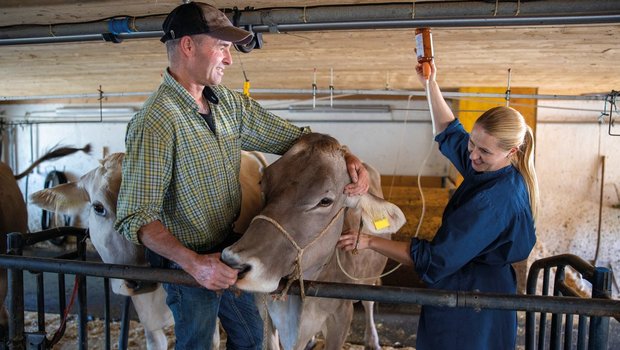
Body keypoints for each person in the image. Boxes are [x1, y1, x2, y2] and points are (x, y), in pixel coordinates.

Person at [114, 2, 369, 349]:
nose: (229, 59)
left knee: (252, 338)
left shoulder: (229, 106)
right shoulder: (156, 122)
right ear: (188, 46)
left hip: (232, 249)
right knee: (198, 342)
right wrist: (195, 265)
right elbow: (136, 217)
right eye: (221, 47)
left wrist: (346, 154)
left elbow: (298, 139)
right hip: (189, 263)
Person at [338, 61, 538, 350]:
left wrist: (369, 241)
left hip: (471, 298)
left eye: (484, 151)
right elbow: (449, 131)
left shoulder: (491, 200)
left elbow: (435, 259)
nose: (473, 155)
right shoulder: (491, 171)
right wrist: (430, 84)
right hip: (480, 289)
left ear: (512, 152)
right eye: (473, 143)